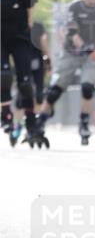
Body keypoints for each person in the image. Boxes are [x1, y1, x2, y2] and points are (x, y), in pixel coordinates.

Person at [37, 0, 95, 145]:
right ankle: (41, 120)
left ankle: (84, 123)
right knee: (55, 91)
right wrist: (88, 49)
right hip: (71, 52)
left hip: (89, 55)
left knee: (88, 88)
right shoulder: (74, 7)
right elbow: (73, 34)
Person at [0, 0, 44, 147]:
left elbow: (30, 21)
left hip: (20, 40)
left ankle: (31, 122)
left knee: (25, 82)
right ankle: (6, 114)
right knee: (3, 74)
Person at [11, 17, 50, 145]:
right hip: (23, 63)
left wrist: (48, 60)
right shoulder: (16, 24)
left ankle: (34, 125)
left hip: (36, 62)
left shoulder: (38, 26)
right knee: (22, 95)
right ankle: (18, 125)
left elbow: (44, 42)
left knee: (38, 95)